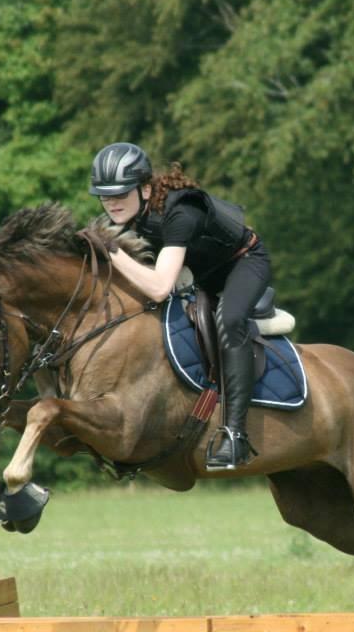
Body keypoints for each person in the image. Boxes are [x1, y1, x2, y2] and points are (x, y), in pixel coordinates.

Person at [86, 142, 271, 470]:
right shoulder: (127, 216)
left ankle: (236, 435)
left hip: (243, 265)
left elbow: (158, 288)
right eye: (105, 195)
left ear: (145, 189)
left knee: (228, 320)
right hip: (201, 276)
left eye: (120, 194)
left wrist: (112, 252)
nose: (111, 203)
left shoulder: (181, 213)